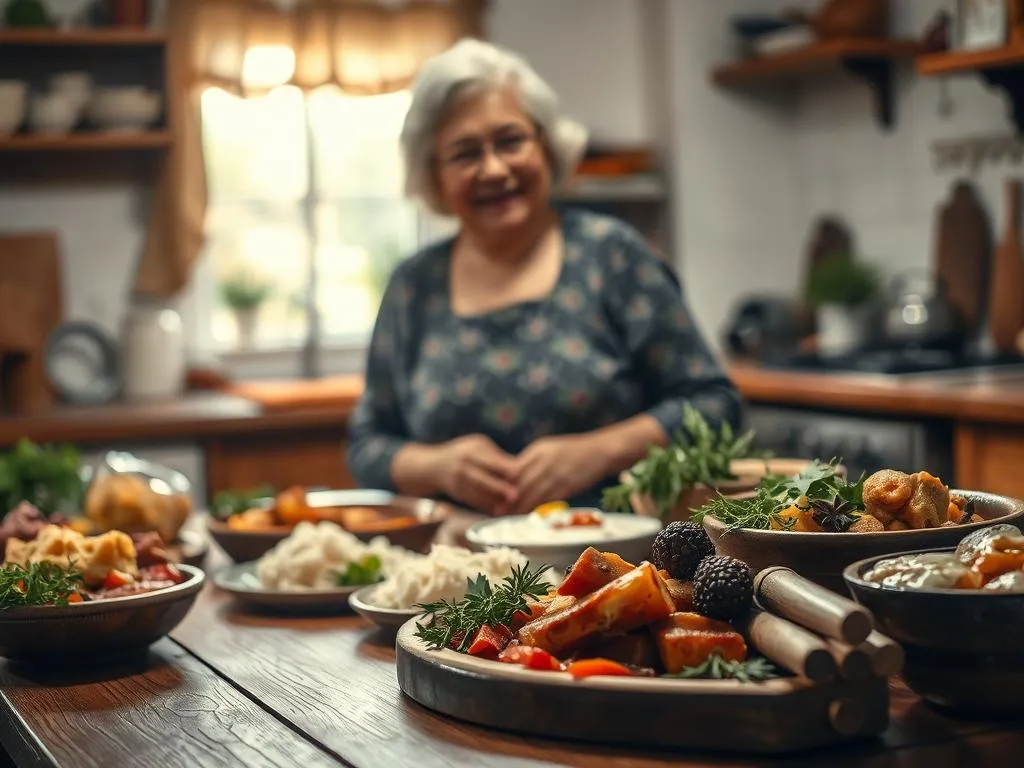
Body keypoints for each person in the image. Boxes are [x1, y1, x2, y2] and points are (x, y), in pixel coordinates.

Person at [346, 38, 742, 516]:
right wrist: (438, 466)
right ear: (435, 174)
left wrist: (600, 450)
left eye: (510, 141)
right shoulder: (414, 286)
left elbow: (716, 405)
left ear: (546, 145)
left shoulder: (611, 255)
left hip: (616, 566)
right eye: (465, 153)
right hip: (461, 574)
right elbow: (366, 445)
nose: (493, 169)